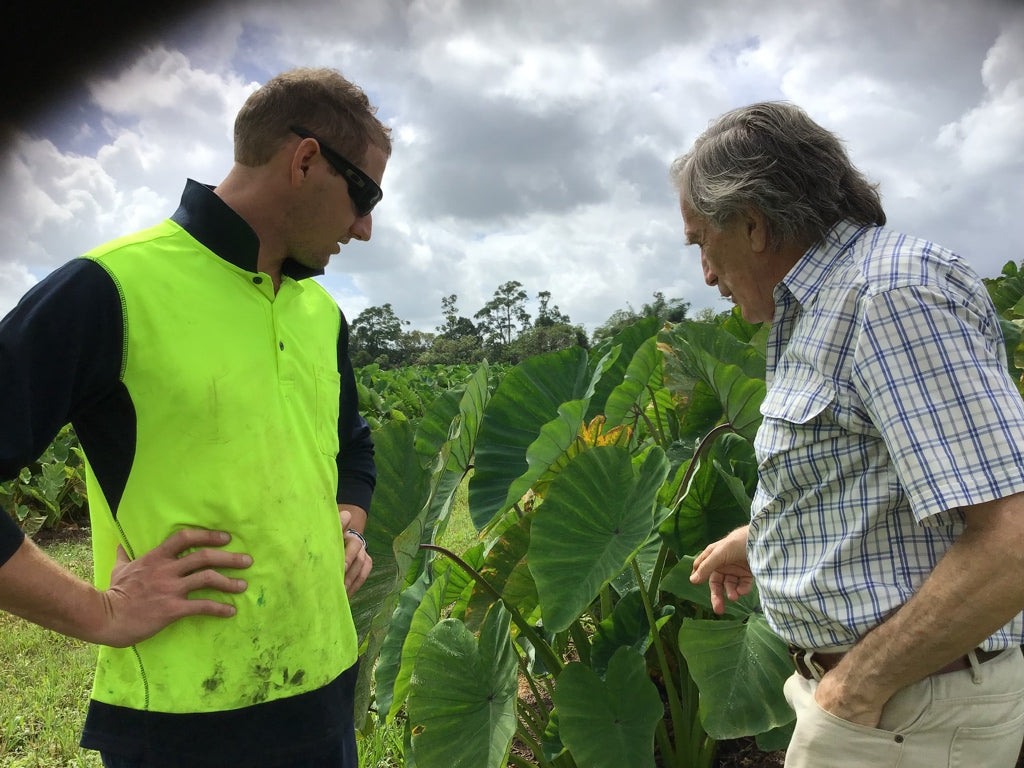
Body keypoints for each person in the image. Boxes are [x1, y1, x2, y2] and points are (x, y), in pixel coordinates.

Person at [0, 67, 389, 767]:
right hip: (184, 726)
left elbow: (352, 449)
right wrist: (101, 612)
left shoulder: (321, 315)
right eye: (364, 196)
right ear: (304, 161)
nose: (364, 228)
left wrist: (347, 523)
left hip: (324, 694)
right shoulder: (111, 288)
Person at [677, 102, 1024, 767]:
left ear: (751, 223)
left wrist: (852, 691)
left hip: (905, 709)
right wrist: (756, 542)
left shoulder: (885, 294)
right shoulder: (824, 307)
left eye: (702, 243)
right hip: (888, 704)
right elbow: (884, 478)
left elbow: (1012, 534)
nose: (707, 275)